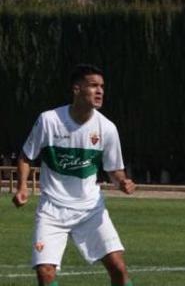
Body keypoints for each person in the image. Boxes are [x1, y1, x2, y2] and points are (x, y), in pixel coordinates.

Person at [12, 64, 136, 286]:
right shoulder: (49, 120)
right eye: (93, 86)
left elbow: (113, 168)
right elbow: (25, 156)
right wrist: (22, 187)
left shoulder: (107, 128)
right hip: (52, 209)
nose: (100, 91)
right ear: (77, 89)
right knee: (45, 273)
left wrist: (122, 181)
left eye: (102, 87)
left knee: (118, 268)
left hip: (90, 210)